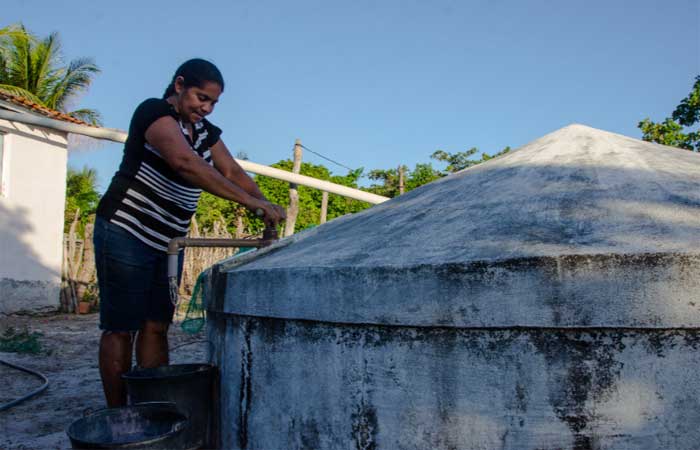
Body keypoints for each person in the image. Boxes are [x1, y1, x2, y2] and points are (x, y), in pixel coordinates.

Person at [93, 58, 285, 407]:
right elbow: (185, 163)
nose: (206, 108)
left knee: (156, 325)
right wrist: (250, 204)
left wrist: (264, 203)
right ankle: (118, 414)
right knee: (121, 327)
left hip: (169, 242)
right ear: (179, 85)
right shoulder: (153, 113)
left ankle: (151, 408)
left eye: (213, 102)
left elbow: (231, 170)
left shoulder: (205, 133)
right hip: (126, 231)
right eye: (201, 97)